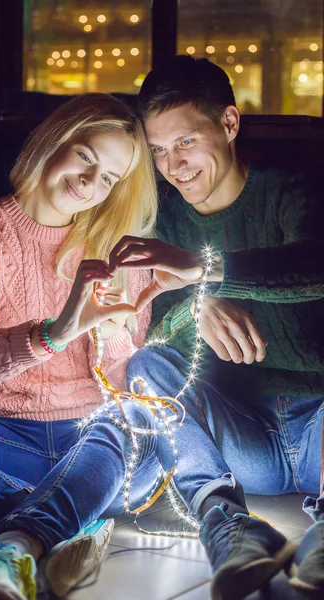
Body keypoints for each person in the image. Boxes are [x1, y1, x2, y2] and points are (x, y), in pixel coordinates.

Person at [0, 93, 166, 600]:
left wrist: (111, 331)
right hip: (1, 438)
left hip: (97, 441)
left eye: (108, 179)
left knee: (135, 418)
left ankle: (14, 550)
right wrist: (57, 331)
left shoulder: (119, 247)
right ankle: (70, 521)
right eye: (85, 156)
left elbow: (133, 373)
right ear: (54, 140)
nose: (89, 182)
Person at [109, 56, 324, 600]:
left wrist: (207, 273)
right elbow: (152, 337)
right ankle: (228, 525)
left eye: (184, 142)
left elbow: (315, 266)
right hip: (240, 438)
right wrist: (196, 306)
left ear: (228, 124)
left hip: (319, 419)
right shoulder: (163, 217)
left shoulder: (292, 193)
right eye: (158, 151)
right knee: (144, 367)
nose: (172, 165)